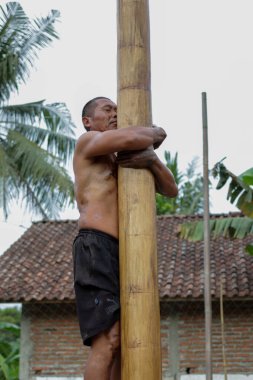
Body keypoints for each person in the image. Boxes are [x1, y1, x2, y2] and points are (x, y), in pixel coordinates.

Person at [72, 96, 178, 380]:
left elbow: (171, 189)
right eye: (108, 109)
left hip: (124, 252)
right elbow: (134, 135)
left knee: (123, 343)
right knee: (107, 340)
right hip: (95, 247)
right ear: (88, 121)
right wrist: (156, 134)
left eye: (118, 109)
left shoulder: (120, 161)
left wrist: (152, 158)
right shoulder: (87, 142)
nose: (115, 113)